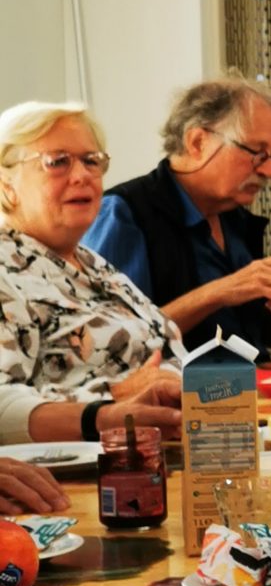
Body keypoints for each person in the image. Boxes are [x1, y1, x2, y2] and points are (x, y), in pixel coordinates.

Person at [84, 74, 271, 354]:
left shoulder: (234, 218)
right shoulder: (124, 214)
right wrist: (219, 292)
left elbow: (255, 338)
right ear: (197, 142)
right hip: (169, 383)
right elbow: (109, 341)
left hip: (245, 380)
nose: (269, 171)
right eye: (257, 152)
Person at [0, 101, 182, 447]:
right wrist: (112, 398)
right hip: (76, 467)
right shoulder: (5, 270)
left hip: (163, 448)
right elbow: (2, 406)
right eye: (58, 162)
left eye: (91, 160)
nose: (82, 175)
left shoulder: (93, 264)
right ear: (6, 184)